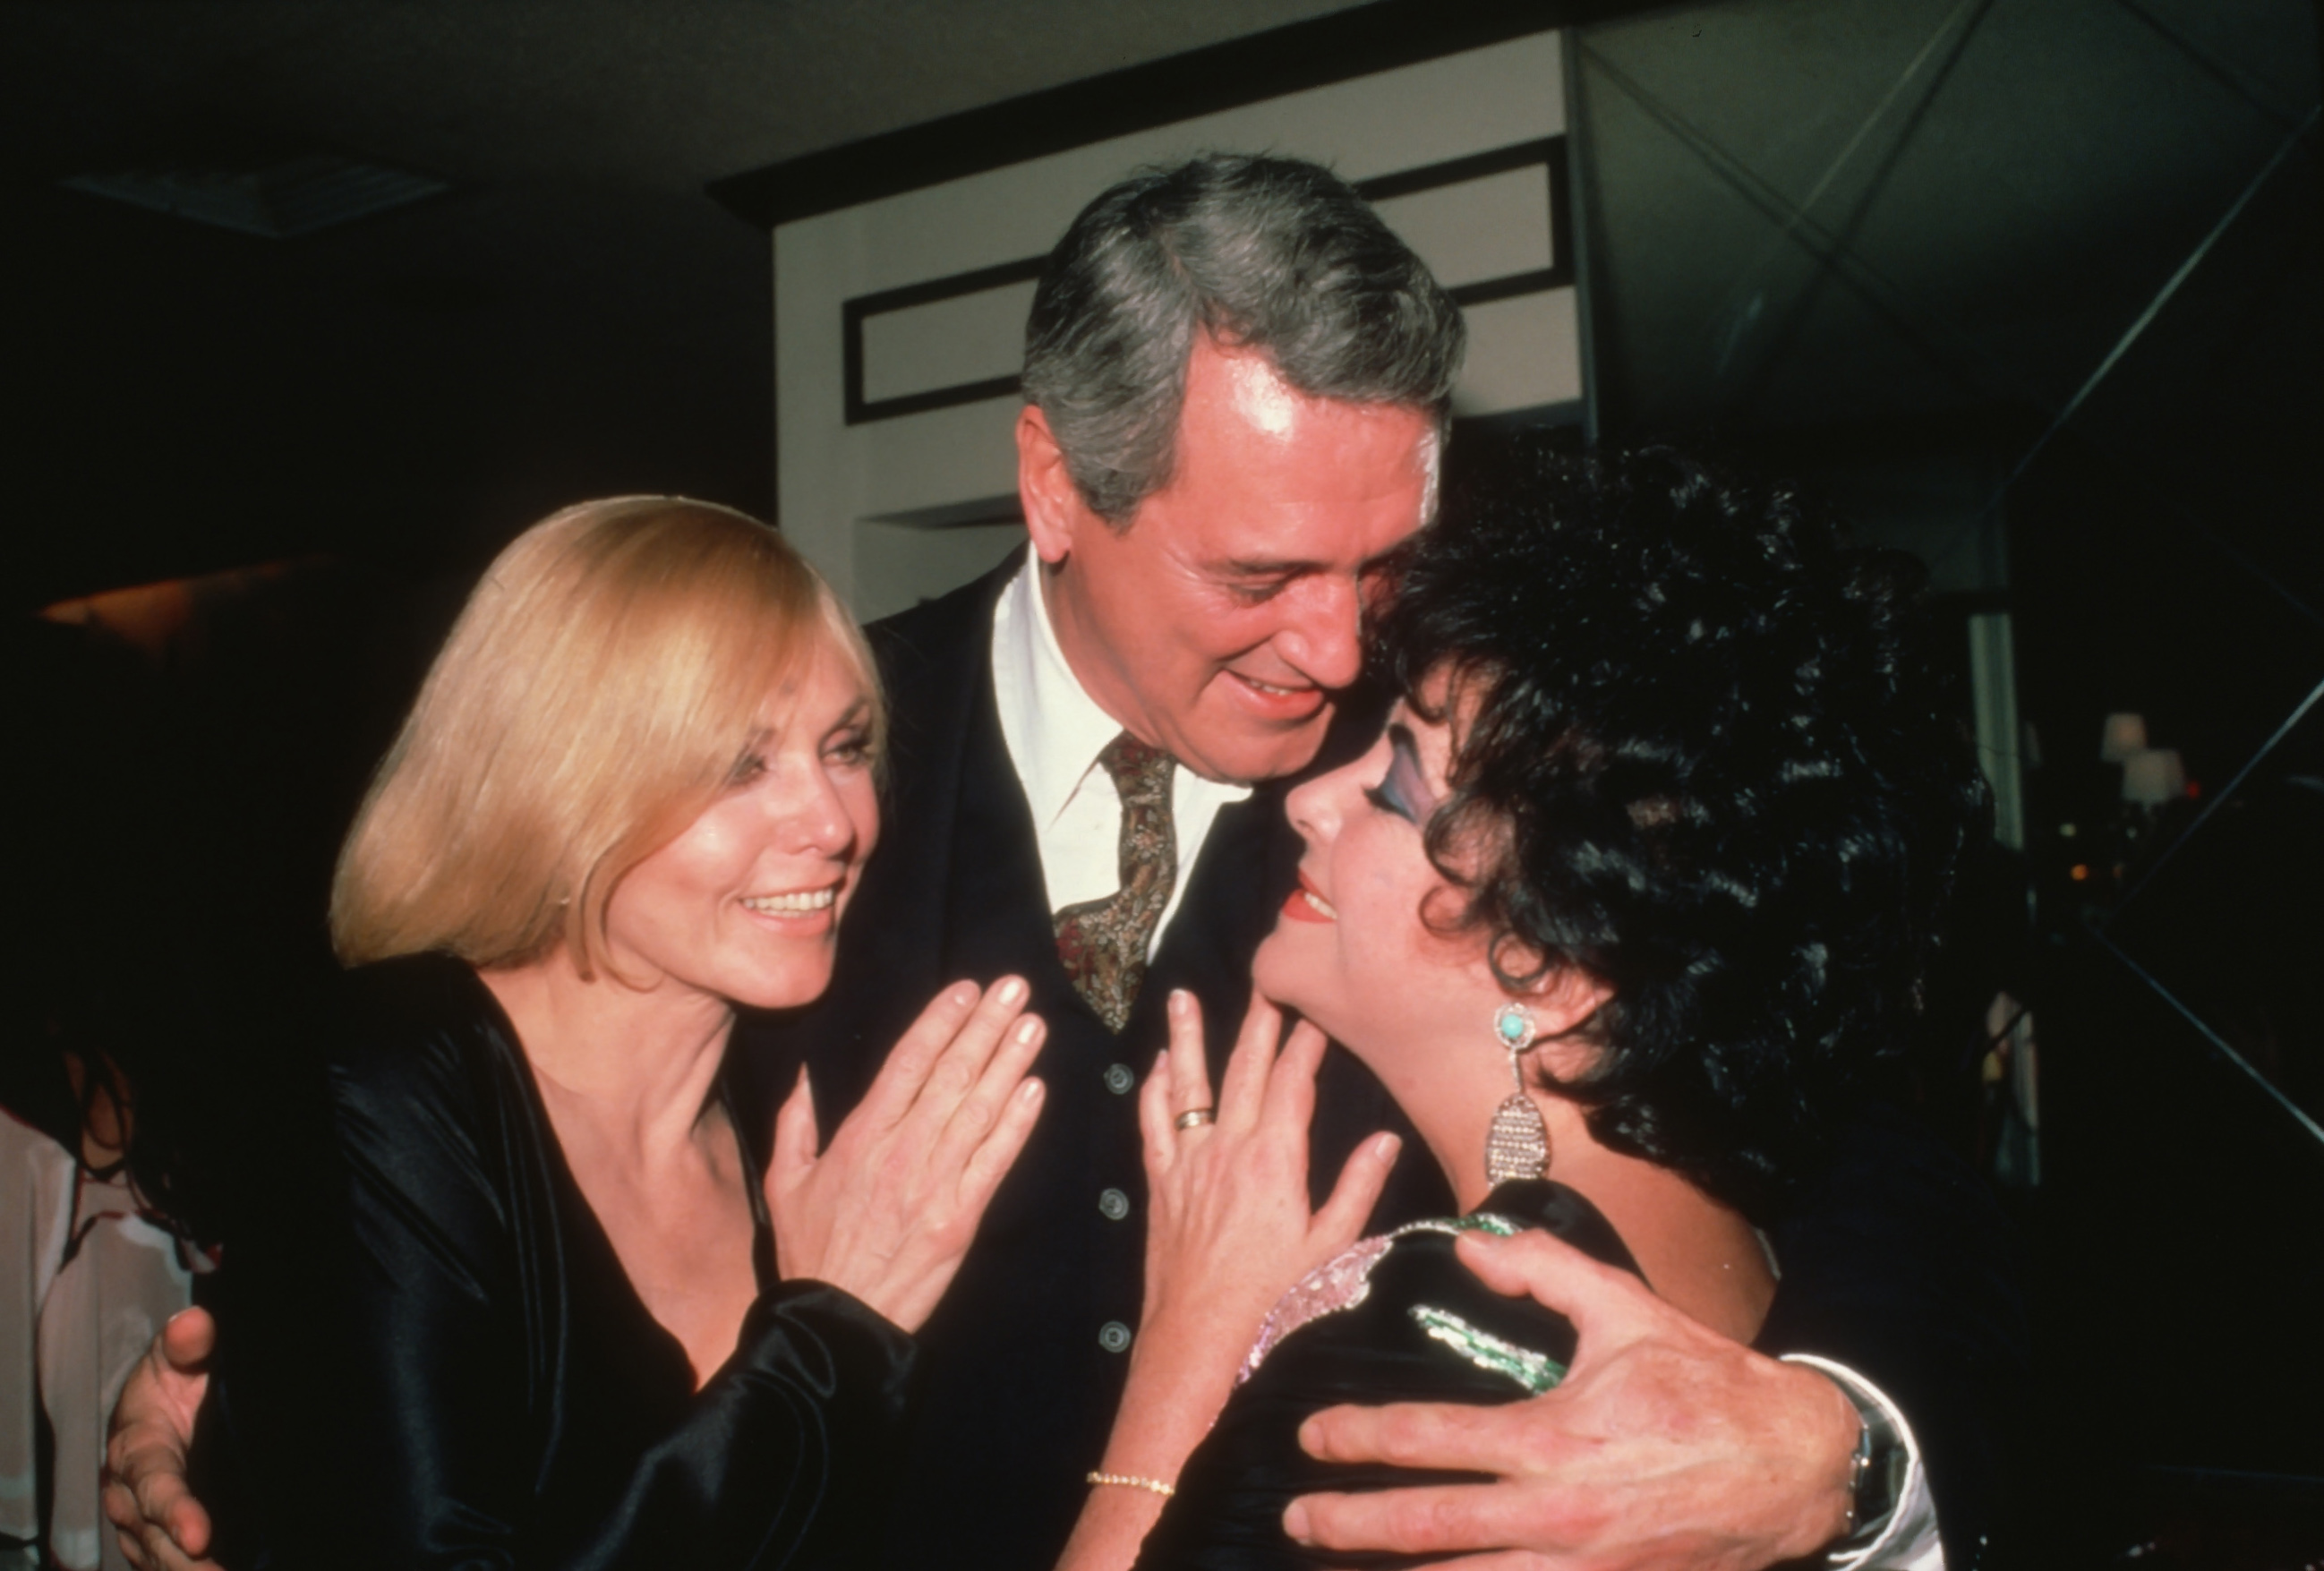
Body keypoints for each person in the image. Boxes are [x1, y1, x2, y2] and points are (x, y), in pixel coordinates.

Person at [110, 157, 2021, 1571]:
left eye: (1385, 567)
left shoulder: (1463, 798)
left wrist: (1836, 1452)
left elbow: (1849, 1114)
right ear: (1054, 485)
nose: (1341, 653)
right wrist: (291, 1423)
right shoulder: (776, 797)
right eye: (1261, 575)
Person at [1054, 440, 2017, 1570]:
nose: (1310, 800)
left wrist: (1183, 1363)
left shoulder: (1402, 1381)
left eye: (1396, 782)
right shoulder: (1753, 1252)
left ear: (1557, 971)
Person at [118, 498, 1047, 1570]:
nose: (835, 823)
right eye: (740, 765)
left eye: (844, 749)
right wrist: (830, 1338)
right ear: (563, 788)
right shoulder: (390, 1080)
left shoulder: (809, 1096)